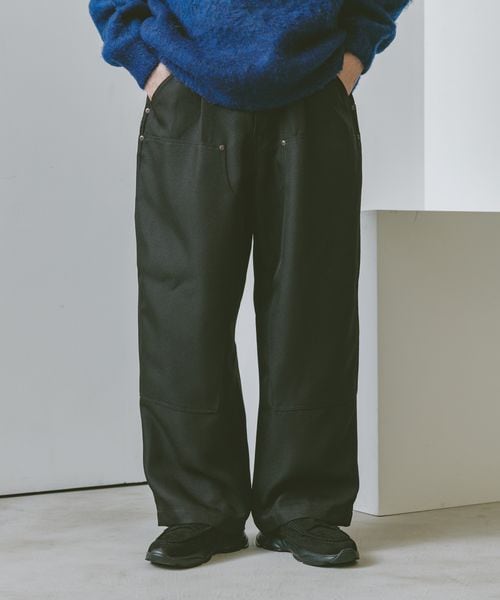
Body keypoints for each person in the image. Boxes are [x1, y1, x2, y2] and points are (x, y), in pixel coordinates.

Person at [88, 0, 412, 569]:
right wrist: (145, 60)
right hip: (187, 89)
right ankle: (199, 509)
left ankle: (303, 507)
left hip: (313, 85)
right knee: (182, 310)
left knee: (313, 306)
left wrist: (354, 53)